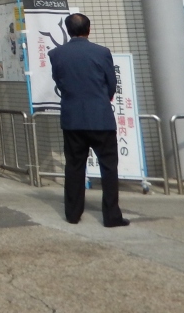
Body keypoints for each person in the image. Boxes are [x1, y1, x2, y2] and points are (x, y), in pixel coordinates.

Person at [48, 13, 129, 228]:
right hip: (100, 117)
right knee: (108, 167)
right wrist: (101, 99)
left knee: (74, 166)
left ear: (68, 30)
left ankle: (73, 214)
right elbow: (111, 84)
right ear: (89, 29)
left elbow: (59, 82)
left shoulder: (56, 54)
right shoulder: (102, 52)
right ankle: (111, 216)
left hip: (72, 117)